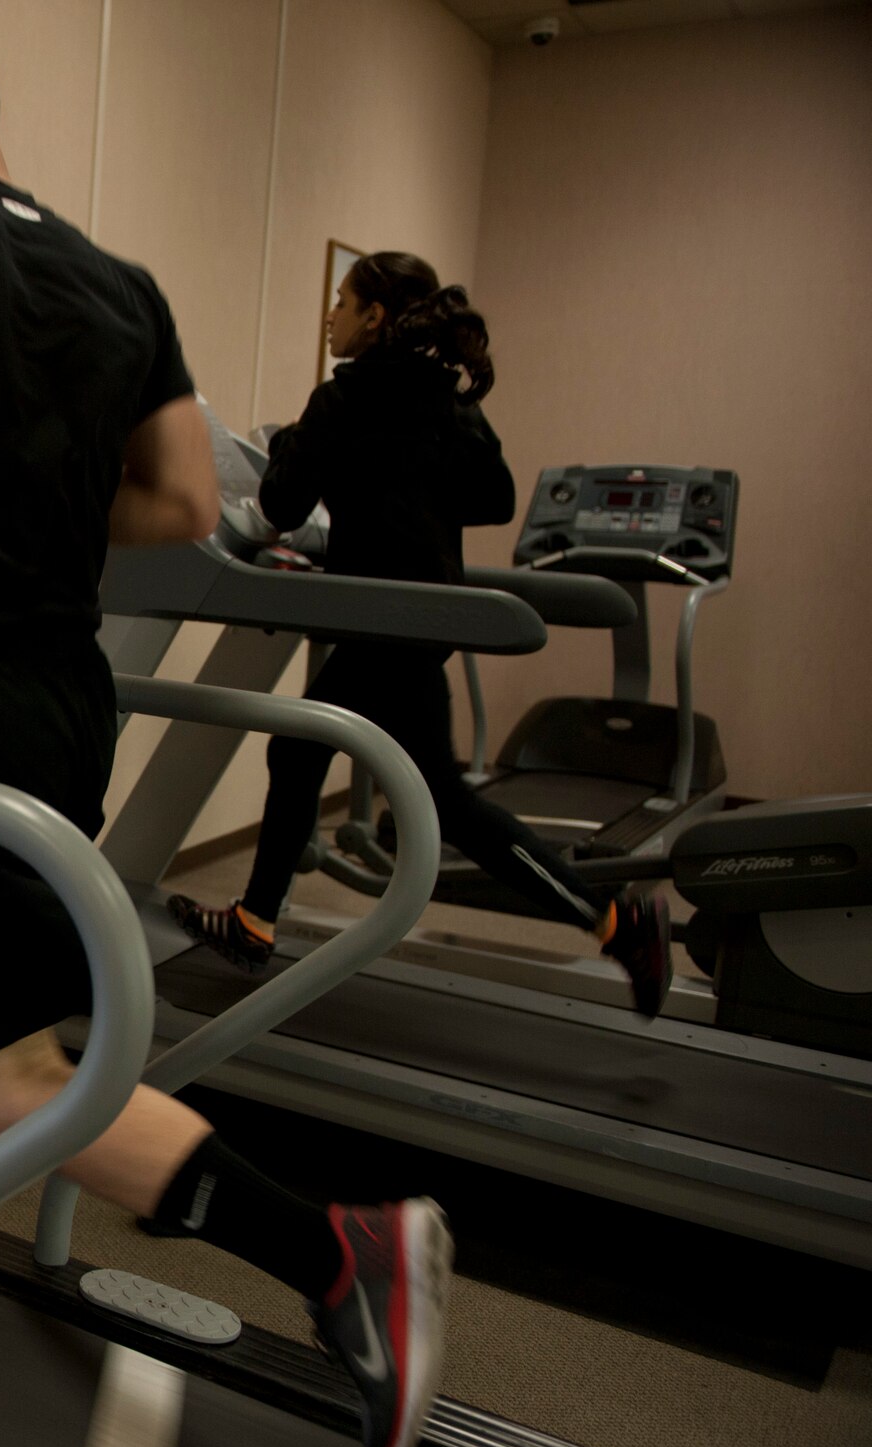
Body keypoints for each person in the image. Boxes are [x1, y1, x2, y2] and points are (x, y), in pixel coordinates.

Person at [0, 7, 452, 1447]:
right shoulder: (121, 284)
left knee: (3, 1075)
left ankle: (336, 1251)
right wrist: (39, 511)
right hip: (62, 693)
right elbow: (183, 498)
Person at [168, 252, 673, 1017]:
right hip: (420, 618)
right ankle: (254, 921)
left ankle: (613, 921)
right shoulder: (446, 398)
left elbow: (276, 500)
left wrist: (325, 461)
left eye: (341, 301)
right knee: (319, 755)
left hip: (381, 622)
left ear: (374, 317)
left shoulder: (346, 397)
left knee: (416, 791)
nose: (330, 315)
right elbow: (494, 497)